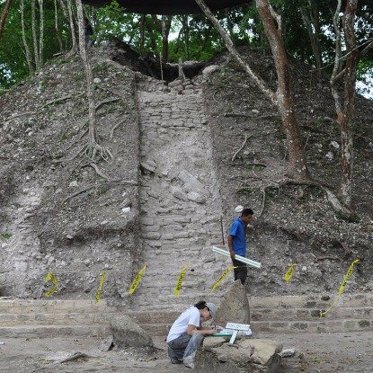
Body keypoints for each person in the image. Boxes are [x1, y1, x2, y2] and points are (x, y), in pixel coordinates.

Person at [166, 300, 218, 369]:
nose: (210, 318)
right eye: (210, 315)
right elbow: (190, 332)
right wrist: (208, 332)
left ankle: (174, 353)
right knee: (198, 336)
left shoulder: (194, 310)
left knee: (199, 334)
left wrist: (210, 329)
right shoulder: (195, 313)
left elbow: (198, 328)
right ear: (205, 309)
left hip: (173, 339)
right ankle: (188, 359)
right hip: (176, 340)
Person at [227, 208, 254, 285]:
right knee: (242, 272)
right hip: (237, 253)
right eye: (249, 217)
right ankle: (238, 290)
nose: (250, 220)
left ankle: (237, 292)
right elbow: (230, 237)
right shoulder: (237, 224)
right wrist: (231, 250)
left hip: (241, 252)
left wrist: (246, 225)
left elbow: (245, 224)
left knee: (238, 272)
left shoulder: (242, 224)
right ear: (244, 216)